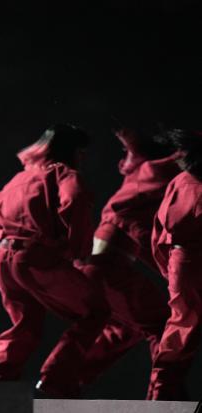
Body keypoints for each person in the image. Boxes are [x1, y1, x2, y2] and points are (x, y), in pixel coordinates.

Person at [0, 124, 107, 397]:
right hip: (35, 258)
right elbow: (74, 200)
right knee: (95, 311)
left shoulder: (19, 178)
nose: (83, 159)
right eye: (81, 153)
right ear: (72, 152)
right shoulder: (64, 173)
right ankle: (55, 381)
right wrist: (77, 250)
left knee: (24, 324)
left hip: (4, 259)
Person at [78, 127, 179, 388]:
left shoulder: (138, 181)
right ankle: (164, 395)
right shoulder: (149, 179)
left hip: (95, 268)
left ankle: (67, 379)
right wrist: (172, 272)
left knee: (127, 328)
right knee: (161, 325)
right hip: (107, 269)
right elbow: (140, 233)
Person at [147, 129, 202, 400]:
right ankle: (162, 392)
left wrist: (170, 271)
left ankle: (161, 391)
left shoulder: (180, 181)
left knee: (181, 326)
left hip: (180, 260)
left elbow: (158, 235)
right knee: (183, 327)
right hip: (192, 259)